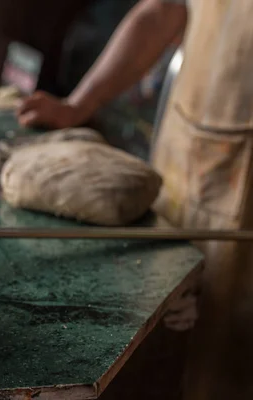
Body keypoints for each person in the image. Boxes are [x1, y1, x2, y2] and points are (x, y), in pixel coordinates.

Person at [17, 1, 253, 398]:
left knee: (229, 357)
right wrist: (79, 105)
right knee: (159, 330)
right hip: (185, 151)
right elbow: (162, 10)